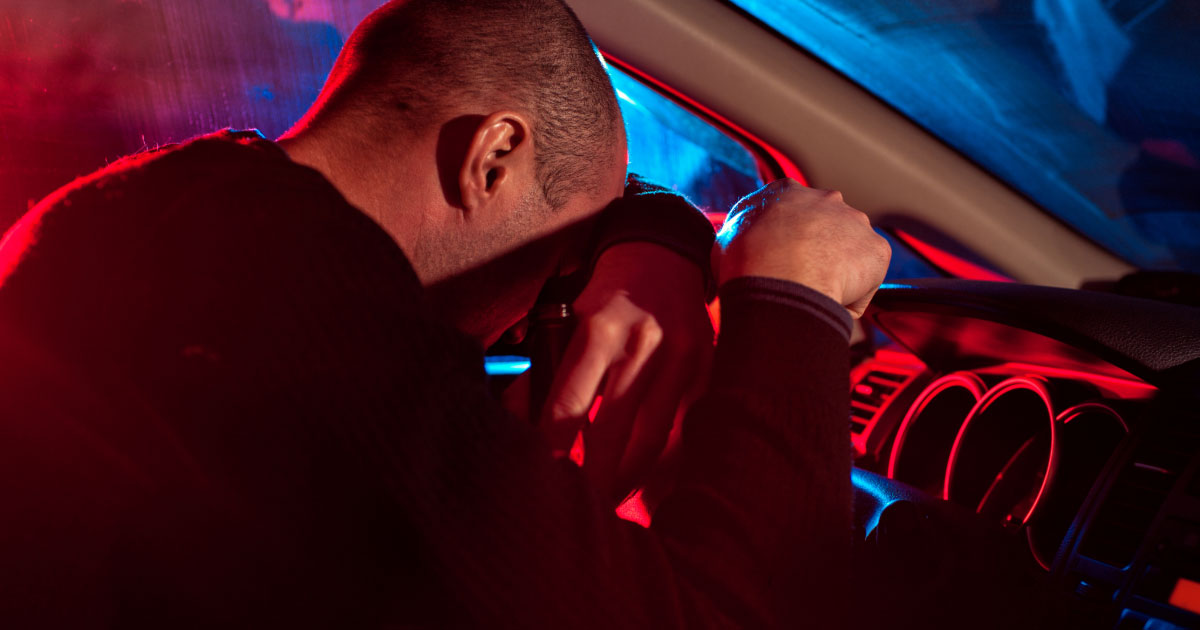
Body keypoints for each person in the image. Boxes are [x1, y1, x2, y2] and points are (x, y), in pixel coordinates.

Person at [0, 0, 890, 628]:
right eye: (554, 260)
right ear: (491, 158)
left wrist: (649, 243)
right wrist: (794, 298)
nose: (525, 319)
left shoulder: (172, 214)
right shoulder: (309, 320)